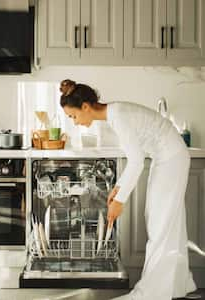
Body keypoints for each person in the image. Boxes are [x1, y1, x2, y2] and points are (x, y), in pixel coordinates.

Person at [59, 79, 197, 300]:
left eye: (73, 116)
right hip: (166, 156)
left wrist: (118, 202)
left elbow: (136, 162)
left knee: (161, 223)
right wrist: (118, 188)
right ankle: (175, 286)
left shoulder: (118, 116)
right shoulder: (115, 113)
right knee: (163, 220)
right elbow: (137, 158)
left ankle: (152, 293)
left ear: (85, 106)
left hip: (171, 157)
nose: (74, 122)